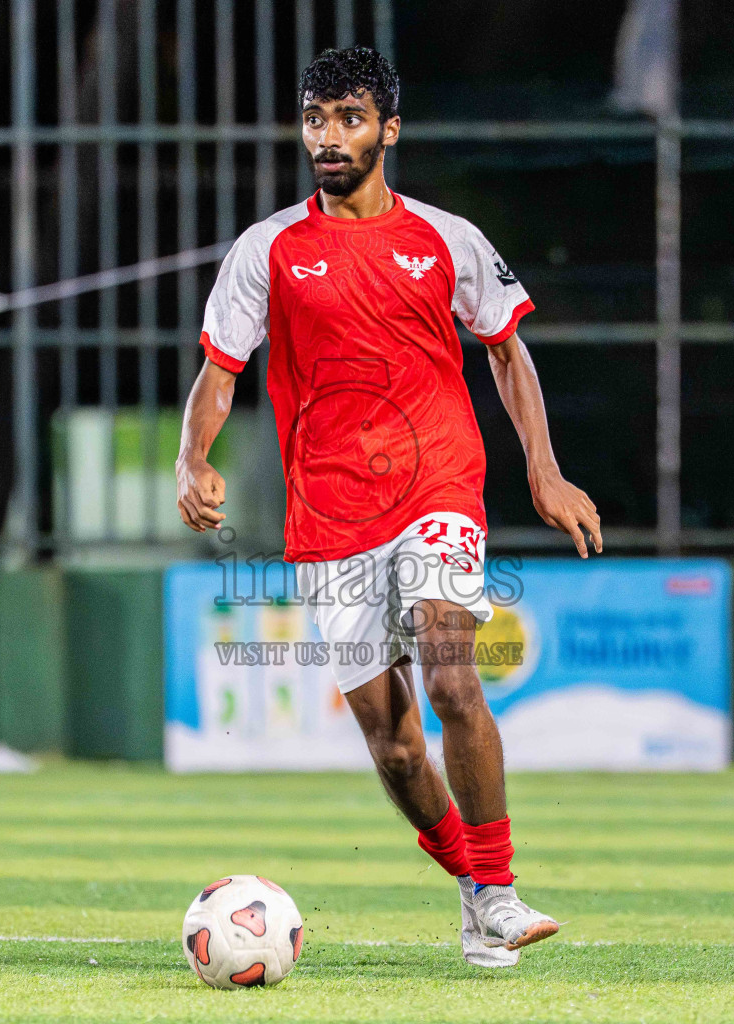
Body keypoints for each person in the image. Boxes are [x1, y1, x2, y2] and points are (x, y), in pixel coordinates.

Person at [175, 45, 602, 967]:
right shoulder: (269, 251)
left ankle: (498, 889)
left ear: (388, 131)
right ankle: (469, 887)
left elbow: (504, 351)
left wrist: (544, 469)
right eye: (316, 119)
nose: (329, 137)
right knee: (397, 746)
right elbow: (220, 371)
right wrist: (191, 458)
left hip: (438, 487)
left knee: (452, 672)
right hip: (329, 518)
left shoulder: (447, 238)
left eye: (350, 119)